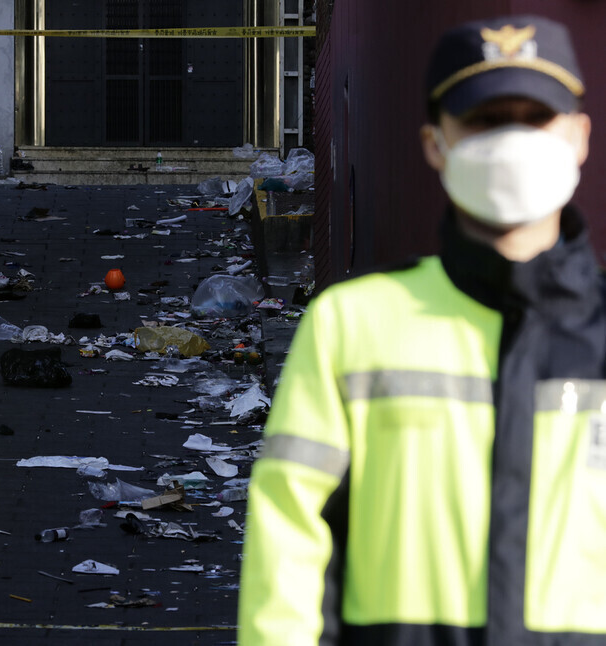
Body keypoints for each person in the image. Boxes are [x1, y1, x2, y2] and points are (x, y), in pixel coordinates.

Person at [239, 14, 601, 645]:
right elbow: (289, 549)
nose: (512, 140)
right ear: (436, 143)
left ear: (578, 137)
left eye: (534, 117)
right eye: (485, 120)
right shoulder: (353, 326)